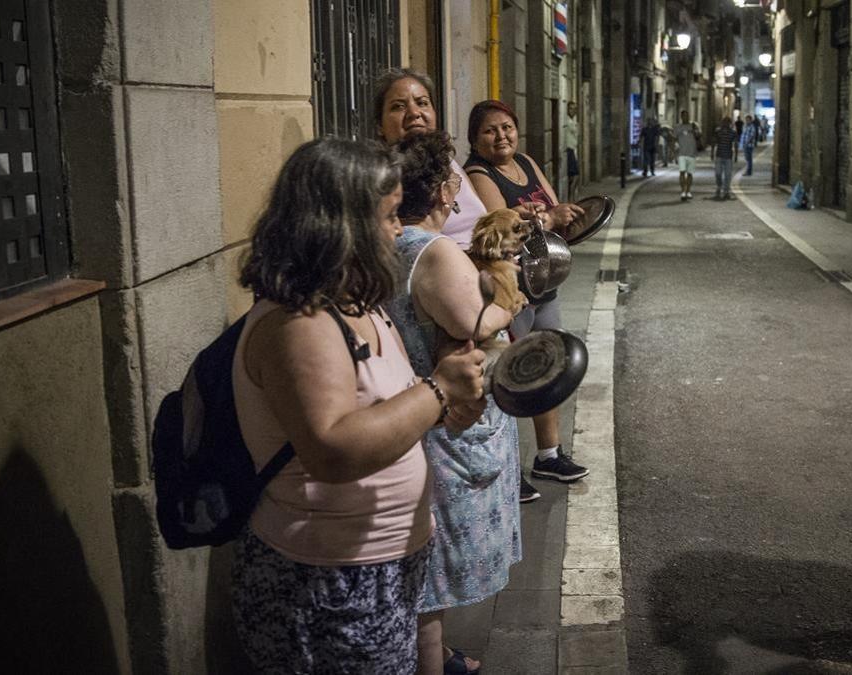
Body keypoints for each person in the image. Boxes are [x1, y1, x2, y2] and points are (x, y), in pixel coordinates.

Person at [230, 138, 487, 674]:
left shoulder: (353, 303)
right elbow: (332, 448)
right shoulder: (298, 323)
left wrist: (442, 404)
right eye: (390, 216)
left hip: (375, 571)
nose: (400, 230)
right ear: (339, 223)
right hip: (328, 584)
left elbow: (382, 406)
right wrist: (437, 392)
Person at [390, 130, 523, 675]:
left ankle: (437, 657)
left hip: (419, 414)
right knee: (432, 570)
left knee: (425, 562)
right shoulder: (434, 252)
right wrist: (512, 299)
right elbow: (475, 323)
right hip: (446, 426)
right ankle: (431, 665)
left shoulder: (394, 243)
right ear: (447, 190)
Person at [464, 99, 591, 496]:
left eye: (507, 127)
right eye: (490, 130)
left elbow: (550, 207)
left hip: (543, 281)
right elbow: (500, 226)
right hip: (510, 288)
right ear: (474, 139)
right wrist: (544, 219)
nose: (501, 136)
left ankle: (549, 455)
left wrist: (562, 215)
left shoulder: (527, 162)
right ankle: (507, 468)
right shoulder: (477, 173)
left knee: (545, 368)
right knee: (505, 376)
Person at [373, 67, 488, 251]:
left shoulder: (448, 162)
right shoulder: (381, 176)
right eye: (399, 106)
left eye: (422, 103)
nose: (414, 112)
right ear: (380, 125)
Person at [673, 110, 700, 201]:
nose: (686, 117)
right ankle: (683, 191)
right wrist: (674, 152)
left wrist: (695, 130)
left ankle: (688, 191)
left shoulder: (693, 125)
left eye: (687, 115)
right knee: (682, 172)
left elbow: (698, 136)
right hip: (681, 153)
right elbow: (674, 139)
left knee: (690, 173)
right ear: (681, 117)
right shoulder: (677, 127)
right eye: (684, 116)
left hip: (691, 153)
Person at [710, 116, 738, 200]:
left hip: (728, 156)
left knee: (728, 175)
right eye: (724, 122)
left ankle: (726, 191)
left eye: (727, 122)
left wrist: (736, 155)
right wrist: (712, 152)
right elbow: (714, 142)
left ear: (729, 124)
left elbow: (735, 143)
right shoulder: (718, 131)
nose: (725, 124)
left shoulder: (733, 132)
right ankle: (719, 186)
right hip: (719, 155)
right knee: (718, 173)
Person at [565, 100, 581, 199]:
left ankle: (571, 197)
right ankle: (571, 198)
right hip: (569, 149)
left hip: (573, 149)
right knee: (575, 175)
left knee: (573, 176)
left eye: (575, 109)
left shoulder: (573, 120)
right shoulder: (567, 121)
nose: (573, 111)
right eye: (571, 108)